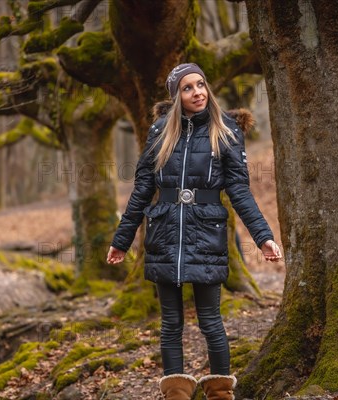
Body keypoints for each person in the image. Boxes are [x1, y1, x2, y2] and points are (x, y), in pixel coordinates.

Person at [106, 63, 281, 400]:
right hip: (164, 232)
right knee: (171, 324)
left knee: (211, 321)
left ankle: (219, 393)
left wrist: (264, 237)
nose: (197, 92)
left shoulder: (226, 129)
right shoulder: (160, 131)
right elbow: (142, 189)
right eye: (187, 88)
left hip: (207, 233)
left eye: (200, 84)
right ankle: (176, 393)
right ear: (177, 97)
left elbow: (240, 191)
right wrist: (121, 240)